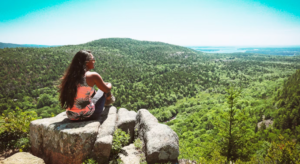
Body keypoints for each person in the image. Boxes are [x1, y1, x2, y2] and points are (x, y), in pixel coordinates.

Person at [59, 50, 114, 121]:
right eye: (93, 60)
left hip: (71, 116)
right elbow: (107, 89)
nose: (94, 61)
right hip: (89, 115)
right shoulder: (92, 76)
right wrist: (109, 84)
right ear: (87, 62)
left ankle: (108, 99)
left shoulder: (70, 77)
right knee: (104, 88)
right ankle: (109, 100)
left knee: (94, 91)